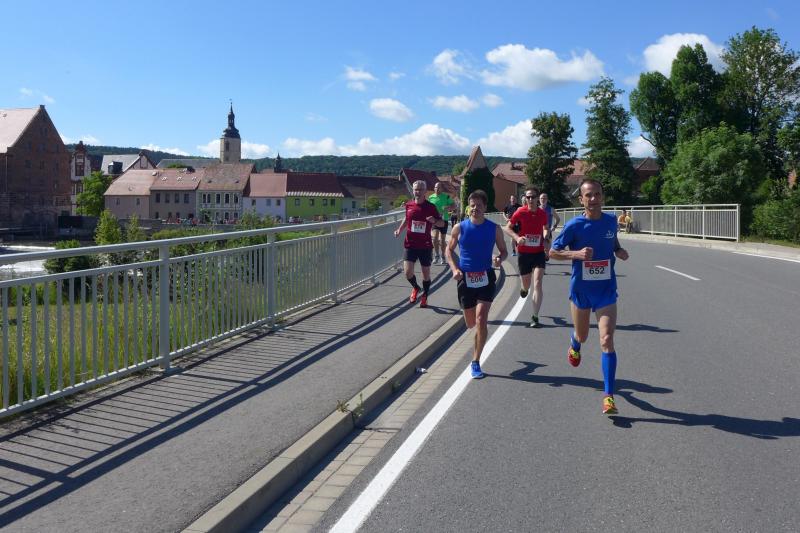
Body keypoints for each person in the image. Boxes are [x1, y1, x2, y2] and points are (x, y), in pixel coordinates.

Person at [549, 179, 630, 415]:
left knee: (606, 339)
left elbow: (613, 242)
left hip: (606, 290)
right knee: (583, 335)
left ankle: (608, 396)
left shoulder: (611, 221)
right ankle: (575, 343)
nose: (593, 199)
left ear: (602, 196)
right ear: (581, 199)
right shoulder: (574, 225)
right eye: (588, 195)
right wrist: (575, 254)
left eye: (597, 194)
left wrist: (619, 251)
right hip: (582, 291)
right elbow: (552, 252)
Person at [445, 189, 508, 379]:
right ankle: (477, 339)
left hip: (486, 277)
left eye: (479, 206)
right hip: (465, 278)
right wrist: (454, 269)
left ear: (485, 207)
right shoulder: (460, 228)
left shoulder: (494, 229)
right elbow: (448, 251)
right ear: (468, 208)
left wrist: (499, 259)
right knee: (471, 323)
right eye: (472, 206)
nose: (475, 209)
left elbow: (504, 251)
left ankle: (476, 361)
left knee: (481, 319)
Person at [394, 180, 445, 308]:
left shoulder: (430, 207)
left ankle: (425, 296)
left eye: (421, 189)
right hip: (410, 244)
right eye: (416, 189)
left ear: (425, 191)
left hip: (425, 245)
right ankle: (416, 287)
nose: (418, 191)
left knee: (425, 274)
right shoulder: (409, 205)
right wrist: (399, 229)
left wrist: (434, 221)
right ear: (413, 190)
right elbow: (407, 218)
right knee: (407, 273)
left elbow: (442, 223)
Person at [504, 187, 549, 327]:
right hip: (524, 253)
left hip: (538, 252)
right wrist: (517, 238)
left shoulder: (542, 213)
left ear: (537, 199)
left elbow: (545, 227)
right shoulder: (520, 212)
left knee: (538, 283)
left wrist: (546, 236)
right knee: (527, 284)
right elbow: (507, 228)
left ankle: (535, 317)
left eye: (533, 197)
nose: (530, 199)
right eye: (528, 197)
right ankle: (524, 288)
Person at [427, 182, 455, 265]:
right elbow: (428, 208)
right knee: (435, 238)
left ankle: (443, 256)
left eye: (439, 187)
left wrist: (448, 207)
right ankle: (436, 255)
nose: (437, 189)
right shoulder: (431, 197)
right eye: (435, 187)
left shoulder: (446, 197)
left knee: (443, 240)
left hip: (444, 220)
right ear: (434, 188)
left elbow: (454, 205)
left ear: (442, 189)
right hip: (435, 220)